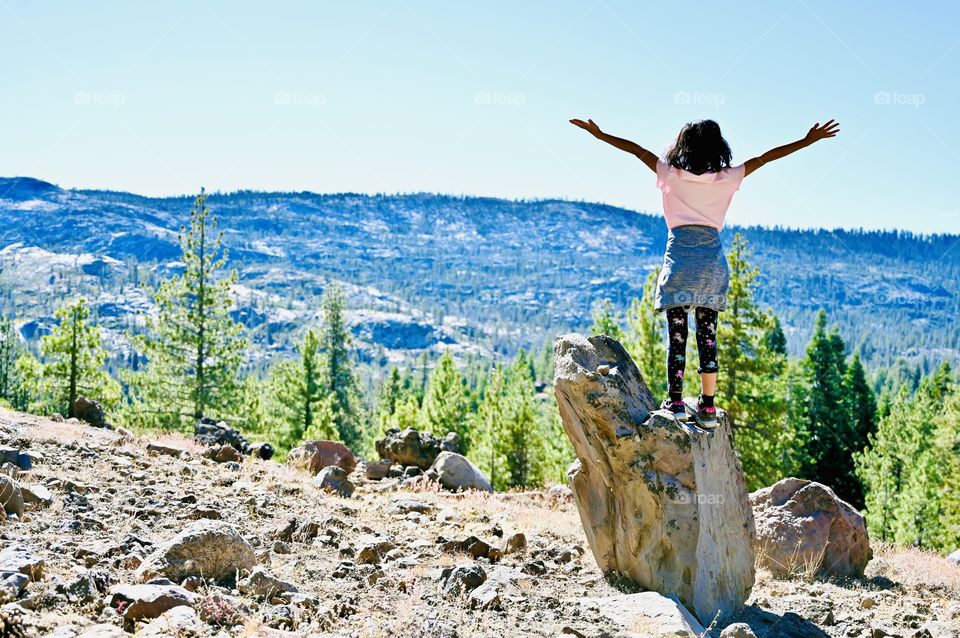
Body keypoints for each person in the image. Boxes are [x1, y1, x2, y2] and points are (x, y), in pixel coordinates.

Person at [569, 116, 839, 426]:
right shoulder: (727, 178)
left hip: (680, 262)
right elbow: (765, 158)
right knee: (708, 337)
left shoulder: (670, 174)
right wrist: (806, 141)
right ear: (718, 147)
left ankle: (676, 403)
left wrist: (600, 134)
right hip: (711, 264)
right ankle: (708, 407)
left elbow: (635, 150)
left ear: (683, 145)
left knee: (678, 337)